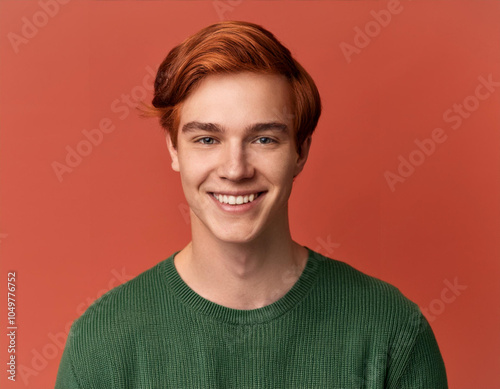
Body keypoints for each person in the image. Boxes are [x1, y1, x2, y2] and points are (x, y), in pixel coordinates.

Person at [55, 20, 448, 388]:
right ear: (174, 149)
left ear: (301, 151)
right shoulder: (102, 343)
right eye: (207, 139)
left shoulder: (392, 331)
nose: (235, 169)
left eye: (264, 139)